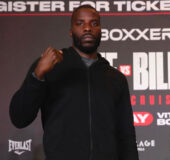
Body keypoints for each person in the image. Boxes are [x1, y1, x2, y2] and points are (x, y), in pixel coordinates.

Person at [9, 5, 139, 160]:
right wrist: (37, 75)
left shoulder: (115, 78)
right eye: (80, 23)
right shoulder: (50, 67)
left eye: (94, 23)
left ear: (100, 31)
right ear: (71, 30)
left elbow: (126, 137)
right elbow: (19, 118)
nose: (87, 28)